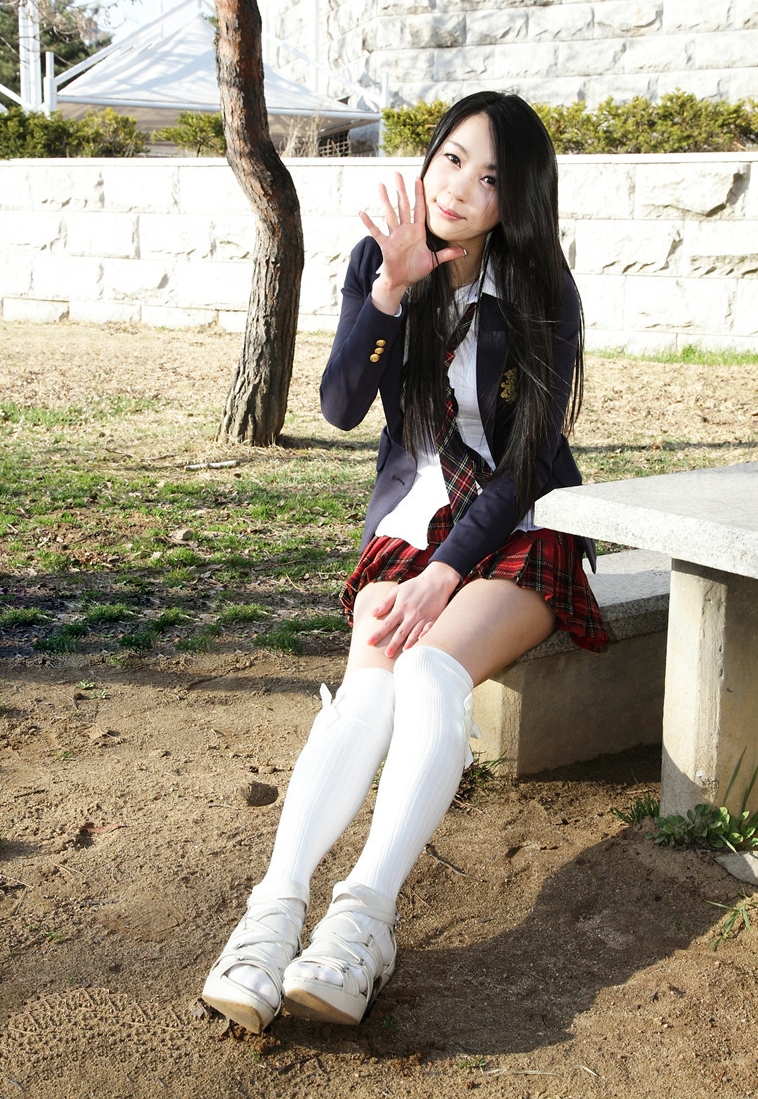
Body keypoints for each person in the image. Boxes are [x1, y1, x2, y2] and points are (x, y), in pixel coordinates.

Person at [201, 90, 609, 1033]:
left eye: (493, 176)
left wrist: (443, 576)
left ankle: (364, 919)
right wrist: (389, 289)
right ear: (428, 160)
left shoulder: (543, 289)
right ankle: (272, 914)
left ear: (519, 200)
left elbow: (522, 461)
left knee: (427, 667)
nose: (462, 187)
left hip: (519, 522)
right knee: (368, 686)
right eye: (453, 159)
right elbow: (342, 405)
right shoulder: (380, 263)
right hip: (414, 515)